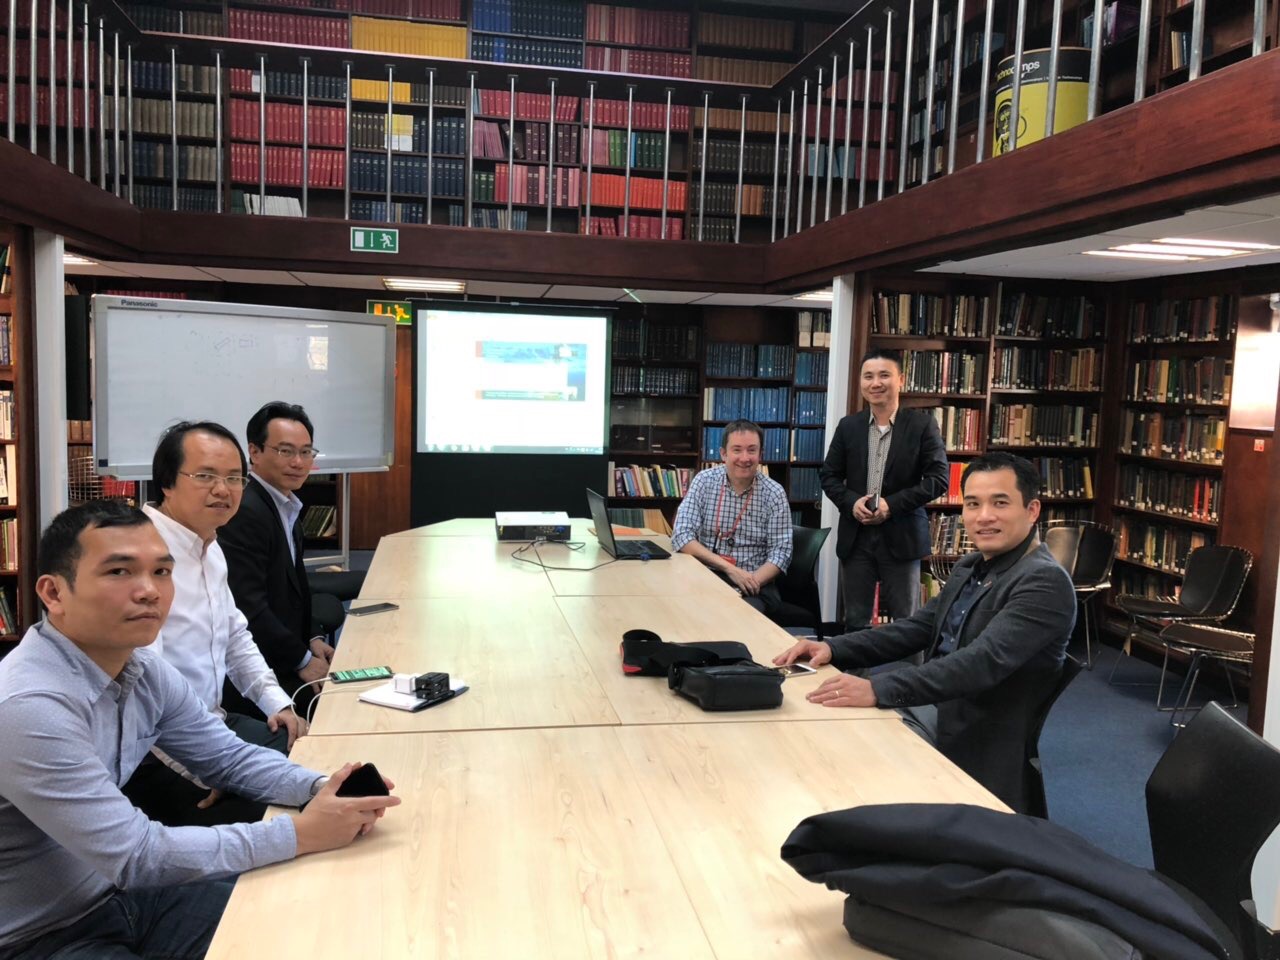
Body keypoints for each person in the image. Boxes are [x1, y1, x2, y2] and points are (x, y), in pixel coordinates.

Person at [0, 500, 400, 958]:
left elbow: (227, 758)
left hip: (122, 896)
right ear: (53, 593)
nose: (149, 591)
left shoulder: (142, 668)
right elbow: (137, 855)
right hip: (38, 935)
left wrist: (321, 787)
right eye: (119, 572)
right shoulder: (29, 707)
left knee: (306, 931)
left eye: (162, 572)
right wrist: (303, 833)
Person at [775, 453, 1075, 812]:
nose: (984, 516)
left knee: (837, 753)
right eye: (973, 504)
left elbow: (980, 663)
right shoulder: (972, 566)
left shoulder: (1043, 581)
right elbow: (917, 628)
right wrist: (834, 648)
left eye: (1000, 503)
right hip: (933, 707)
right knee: (811, 722)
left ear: (1032, 510)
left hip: (971, 730)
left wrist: (877, 689)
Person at [123, 420, 306, 827]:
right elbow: (140, 687)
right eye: (205, 476)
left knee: (309, 750)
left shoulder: (210, 545)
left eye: (234, 478)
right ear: (167, 483)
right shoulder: (139, 555)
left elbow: (235, 635)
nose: (223, 490)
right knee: (280, 815)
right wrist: (200, 767)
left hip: (211, 723)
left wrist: (276, 702)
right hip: (155, 752)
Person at [820, 349, 949, 629]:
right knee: (855, 621)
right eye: (868, 376)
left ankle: (910, 662)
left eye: (884, 375)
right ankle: (855, 661)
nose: (875, 383)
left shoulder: (922, 425)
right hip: (856, 538)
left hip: (902, 535)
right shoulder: (848, 426)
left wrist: (892, 505)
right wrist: (851, 502)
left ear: (900, 379)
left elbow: (939, 479)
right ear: (861, 382)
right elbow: (829, 476)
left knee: (907, 621)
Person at [219, 401, 333, 712]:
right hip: (256, 673)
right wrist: (302, 660)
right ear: (254, 452)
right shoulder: (245, 510)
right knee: (337, 705)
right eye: (285, 451)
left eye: (306, 452)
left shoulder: (285, 503)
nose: (298, 462)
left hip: (282, 652)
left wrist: (312, 637)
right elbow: (248, 606)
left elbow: (294, 588)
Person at [671, 419, 793, 617]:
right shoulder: (704, 481)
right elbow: (681, 536)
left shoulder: (774, 493)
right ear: (723, 454)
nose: (745, 458)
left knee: (733, 616)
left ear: (760, 454)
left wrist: (748, 581)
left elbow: (781, 553)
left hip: (755, 585)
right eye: (737, 450)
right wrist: (729, 569)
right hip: (706, 576)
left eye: (752, 450)